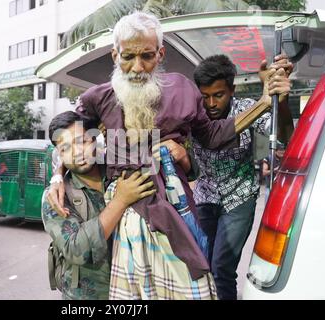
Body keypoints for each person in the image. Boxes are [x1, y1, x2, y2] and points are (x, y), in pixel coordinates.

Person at [47, 11, 283, 300]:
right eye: (127, 57)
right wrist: (57, 175)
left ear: (160, 54)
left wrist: (262, 101)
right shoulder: (98, 98)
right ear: (114, 56)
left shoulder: (183, 90)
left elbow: (211, 136)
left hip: (175, 206)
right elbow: (66, 138)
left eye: (146, 56)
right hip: (126, 216)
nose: (137, 67)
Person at [188, 54, 293, 300]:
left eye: (219, 95)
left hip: (240, 198)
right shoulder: (194, 115)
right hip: (205, 197)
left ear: (232, 90)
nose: (211, 103)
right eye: (205, 96)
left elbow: (284, 139)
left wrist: (283, 103)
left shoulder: (248, 109)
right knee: (201, 264)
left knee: (222, 268)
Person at [42, 111, 156, 300]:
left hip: (137, 289)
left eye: (82, 141)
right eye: (66, 148)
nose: (77, 152)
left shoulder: (119, 170)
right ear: (59, 154)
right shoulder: (56, 197)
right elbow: (76, 250)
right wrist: (120, 200)